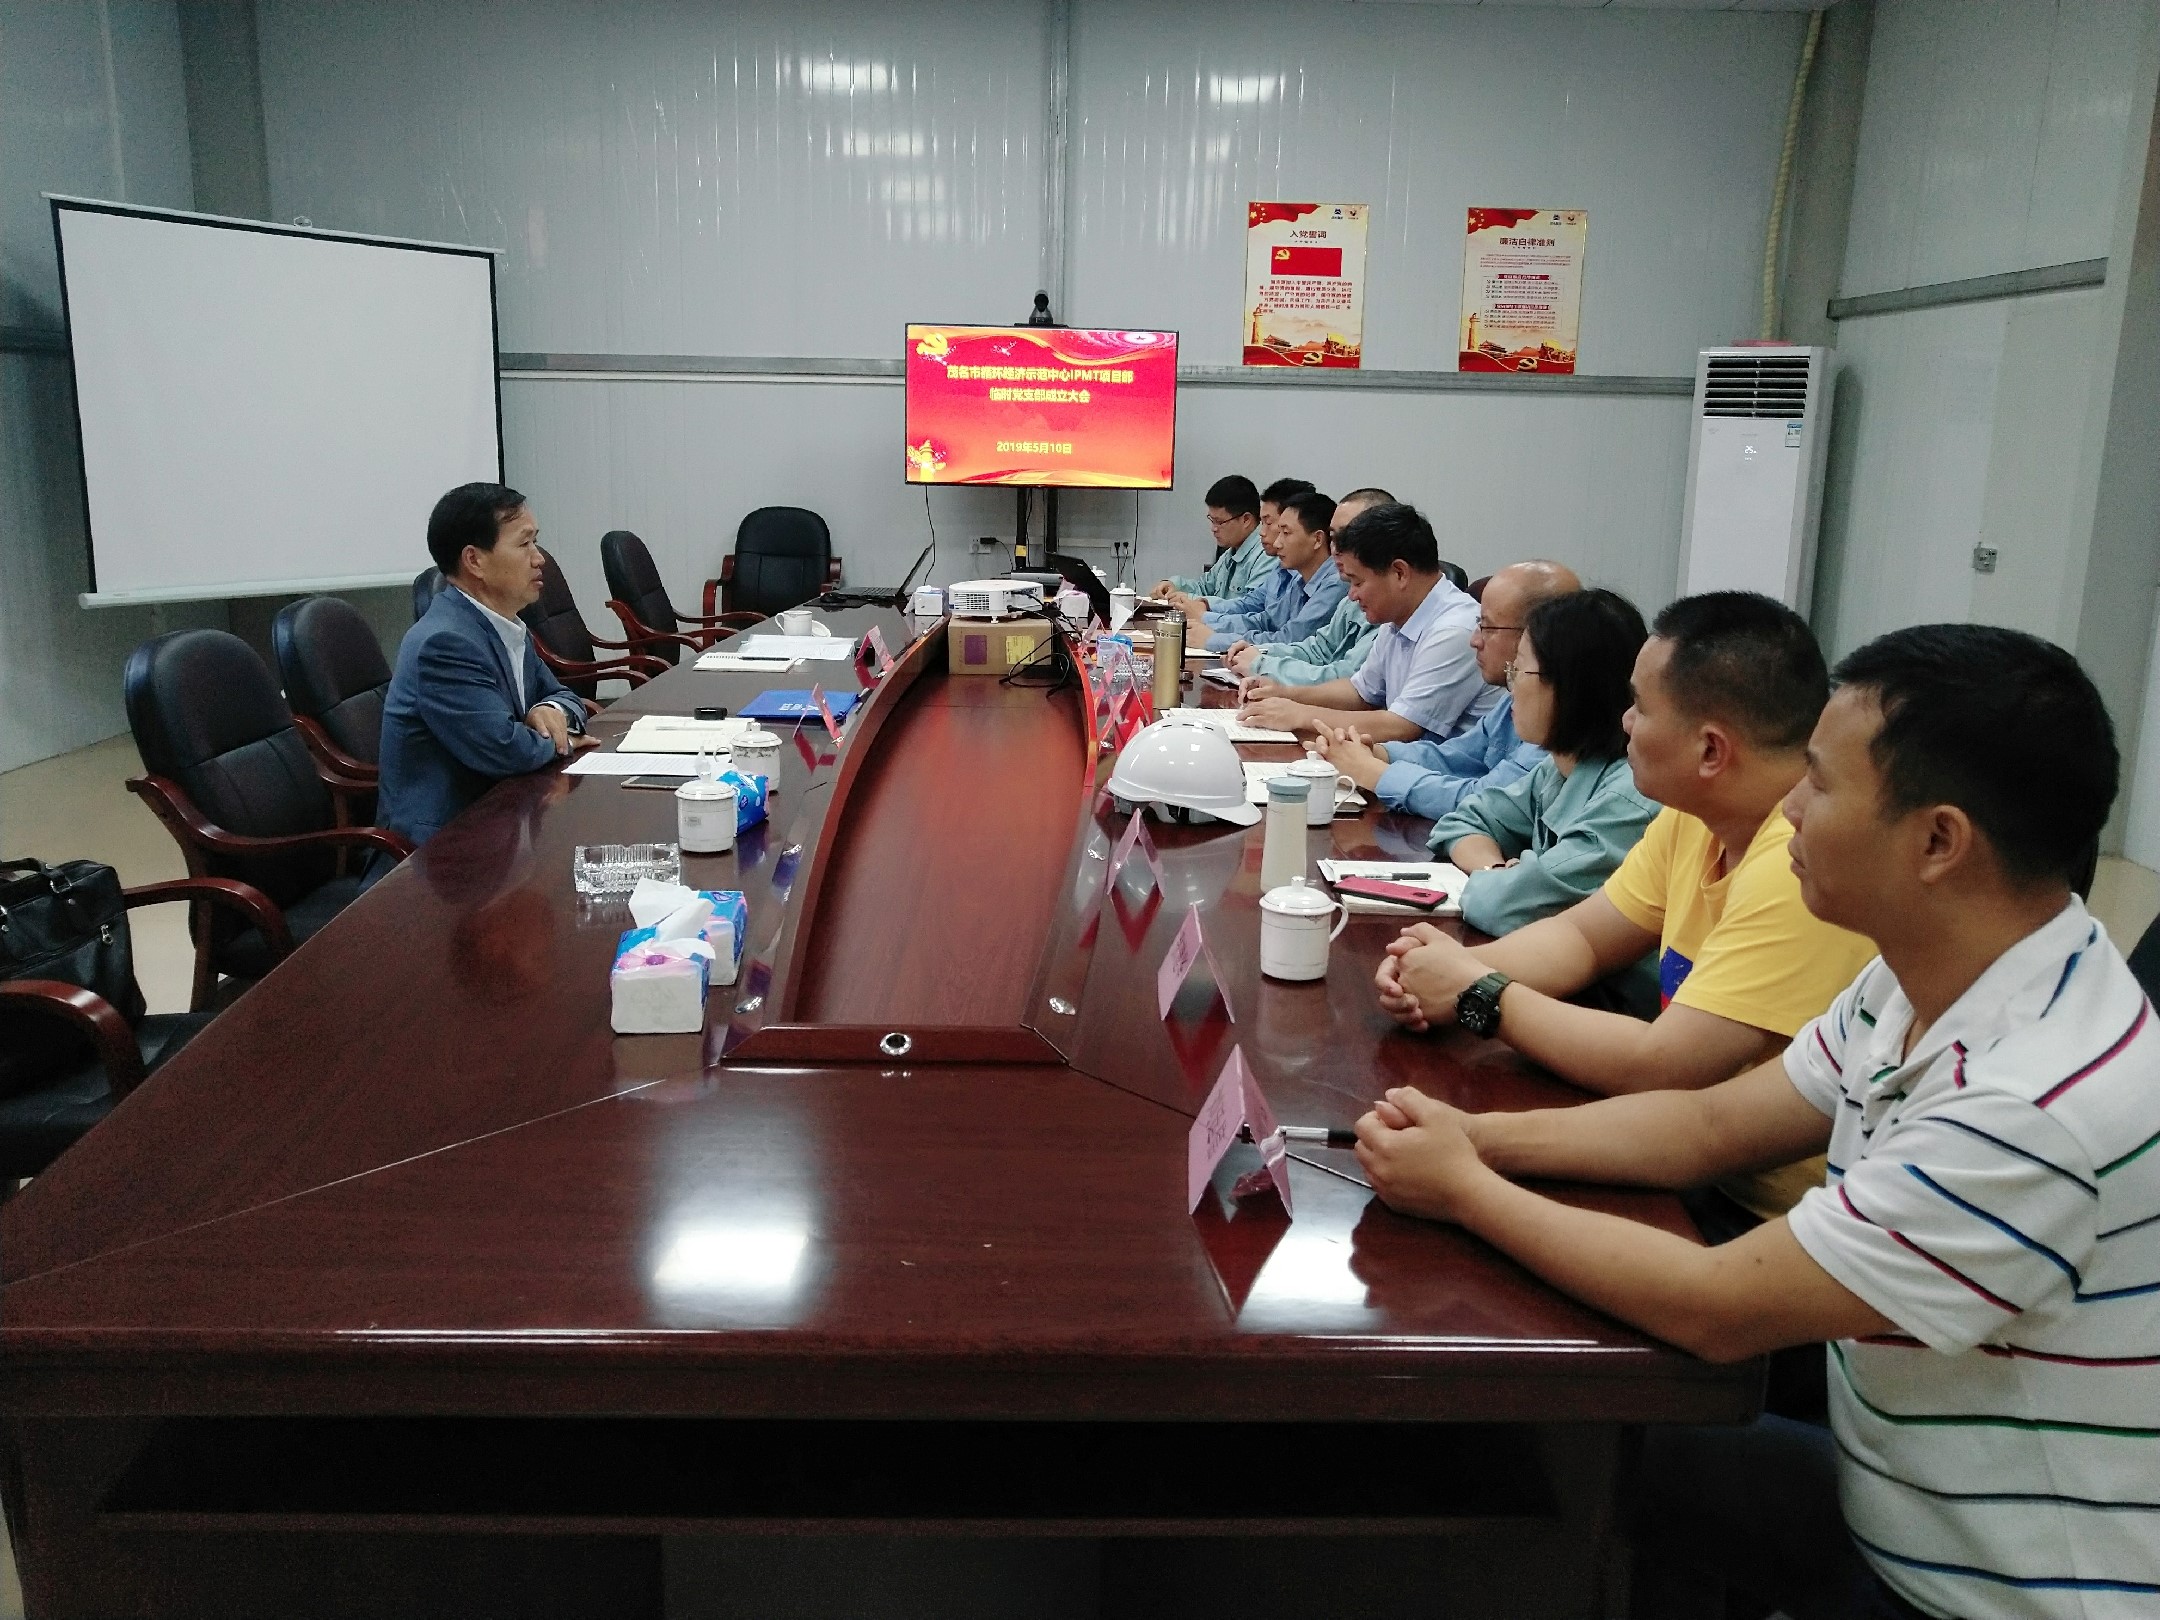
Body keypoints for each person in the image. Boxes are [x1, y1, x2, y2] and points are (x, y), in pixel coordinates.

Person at [1353, 623, 2159, 1620]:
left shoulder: (2029, 1102)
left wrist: (1467, 1190)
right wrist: (1476, 1139)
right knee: (1543, 1447)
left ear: (1938, 841)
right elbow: (1708, 1127)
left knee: (1530, 1448)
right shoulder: (1920, 980)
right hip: (1896, 1484)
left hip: (1978, 1590)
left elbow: (1715, 1305)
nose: (1791, 807)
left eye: (1820, 782)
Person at [1376, 591, 1875, 1221]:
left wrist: (1477, 991)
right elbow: (1583, 938)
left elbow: (1661, 1065)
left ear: (1711, 750)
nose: (1625, 722)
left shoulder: (1796, 865)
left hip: (1755, 1209)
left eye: (1640, 706)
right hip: (1672, 1152)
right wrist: (1444, 971)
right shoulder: (1694, 817)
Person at [375, 483, 594, 854]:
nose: (539, 559)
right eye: (524, 544)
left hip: (503, 821)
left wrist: (549, 709)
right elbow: (506, 748)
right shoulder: (445, 643)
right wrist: (565, 740)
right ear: (474, 560)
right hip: (440, 854)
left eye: (536, 542)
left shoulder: (503, 624)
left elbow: (565, 696)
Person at [1426, 589, 1659, 937]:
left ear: (1571, 685)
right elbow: (1462, 820)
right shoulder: (1561, 769)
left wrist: (1509, 884)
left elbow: (1500, 907)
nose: (1510, 687)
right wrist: (1497, 871)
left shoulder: (1627, 801)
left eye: (1519, 670)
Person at [1315, 559, 1578, 820]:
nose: (1474, 640)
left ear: (1538, 637)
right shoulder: (1511, 699)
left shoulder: (1564, 722)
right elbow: (1454, 756)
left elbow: (1486, 802)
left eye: (1487, 627)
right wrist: (1375, 753)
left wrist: (1376, 774)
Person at [1237, 502, 1491, 745]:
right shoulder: (1399, 616)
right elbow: (1360, 692)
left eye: (1357, 582)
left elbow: (1401, 726)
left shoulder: (1454, 630)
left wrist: (1300, 714)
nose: (1351, 595)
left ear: (1399, 573)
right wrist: (1283, 692)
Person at [1224, 487, 1391, 683]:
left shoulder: (1373, 599)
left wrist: (1262, 665)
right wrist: (1258, 652)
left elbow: (1350, 679)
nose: (1336, 548)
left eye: (1347, 537)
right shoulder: (1350, 595)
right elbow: (1318, 649)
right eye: (1334, 537)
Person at [1189, 491, 1343, 653]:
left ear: (1317, 539)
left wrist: (1214, 639)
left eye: (1286, 533)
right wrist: (1208, 624)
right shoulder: (1299, 581)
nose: (1277, 543)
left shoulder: (1335, 584)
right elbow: (1266, 621)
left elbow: (1289, 640)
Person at [1150, 475, 1273, 606]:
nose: (1213, 528)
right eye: (1212, 520)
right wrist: (1174, 586)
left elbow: (1250, 607)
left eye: (1219, 522)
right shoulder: (1230, 554)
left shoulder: (1266, 555)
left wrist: (1191, 599)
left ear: (1246, 520)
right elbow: (1203, 587)